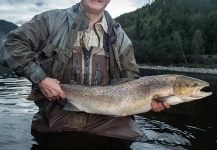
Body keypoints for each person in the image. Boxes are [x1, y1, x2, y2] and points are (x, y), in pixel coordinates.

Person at [0, 0, 170, 141]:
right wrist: (41, 79)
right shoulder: (49, 21)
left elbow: (132, 80)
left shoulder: (120, 37)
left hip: (112, 123)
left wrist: (147, 101)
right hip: (58, 117)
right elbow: (8, 46)